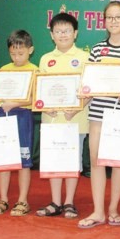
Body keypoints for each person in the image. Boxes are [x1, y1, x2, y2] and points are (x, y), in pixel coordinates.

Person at [77, 1, 120, 229]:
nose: (113, 21)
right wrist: (82, 93)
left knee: (118, 163)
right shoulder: (97, 49)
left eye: (118, 17)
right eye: (109, 17)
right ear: (104, 21)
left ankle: (113, 208)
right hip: (98, 112)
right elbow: (90, 81)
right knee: (96, 161)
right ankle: (98, 211)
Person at [35, 11, 90, 219]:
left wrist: (77, 107)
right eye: (58, 31)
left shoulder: (84, 57)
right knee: (53, 160)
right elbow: (40, 90)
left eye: (67, 31)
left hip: (75, 119)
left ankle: (69, 202)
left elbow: (89, 90)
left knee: (72, 161)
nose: (62, 35)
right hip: (51, 119)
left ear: (75, 33)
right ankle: (55, 201)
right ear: (51, 35)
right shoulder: (45, 59)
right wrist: (43, 106)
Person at [0, 30, 37, 217]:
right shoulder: (2, 70)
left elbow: (35, 98)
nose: (16, 57)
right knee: (4, 160)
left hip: (23, 117)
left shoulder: (35, 70)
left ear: (30, 50)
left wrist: (16, 103)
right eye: (13, 53)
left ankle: (23, 200)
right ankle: (3, 198)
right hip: (3, 117)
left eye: (21, 53)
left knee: (24, 162)